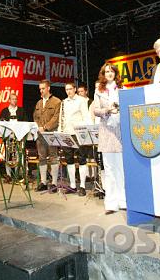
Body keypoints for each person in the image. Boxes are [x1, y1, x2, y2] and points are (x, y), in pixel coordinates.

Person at [92, 63, 126, 214]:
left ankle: (123, 201)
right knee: (109, 169)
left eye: (111, 71)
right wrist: (108, 110)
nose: (109, 74)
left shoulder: (123, 89)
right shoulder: (98, 91)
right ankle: (111, 203)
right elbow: (95, 110)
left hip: (120, 132)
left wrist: (119, 108)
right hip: (106, 132)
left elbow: (128, 106)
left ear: (115, 73)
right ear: (103, 74)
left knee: (121, 169)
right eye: (106, 71)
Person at [58, 82, 91, 196]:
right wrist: (60, 131)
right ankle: (72, 185)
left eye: (70, 89)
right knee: (69, 160)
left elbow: (86, 117)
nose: (68, 91)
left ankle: (82, 186)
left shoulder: (81, 101)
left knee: (82, 159)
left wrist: (85, 132)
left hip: (78, 134)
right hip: (67, 134)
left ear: (75, 89)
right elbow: (61, 118)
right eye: (66, 89)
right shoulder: (63, 102)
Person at [33, 80, 61, 192]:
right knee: (42, 158)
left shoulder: (57, 102)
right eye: (40, 89)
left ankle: (54, 183)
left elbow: (56, 118)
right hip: (40, 135)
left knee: (54, 157)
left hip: (51, 133)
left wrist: (45, 127)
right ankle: (43, 182)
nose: (41, 90)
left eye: (43, 88)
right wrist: (38, 127)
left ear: (48, 88)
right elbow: (35, 117)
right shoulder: (38, 103)